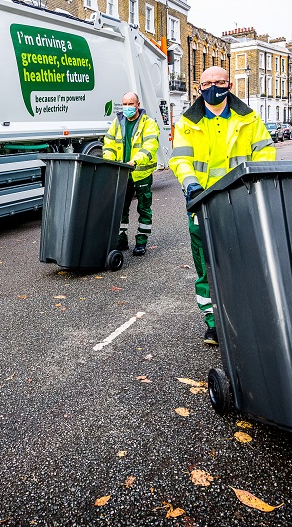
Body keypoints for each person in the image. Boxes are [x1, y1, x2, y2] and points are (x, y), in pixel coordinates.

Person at [170, 66, 276, 346]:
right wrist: (191, 185)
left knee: (244, 261)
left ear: (229, 85)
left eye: (219, 82)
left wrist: (256, 181)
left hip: (242, 199)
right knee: (206, 265)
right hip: (202, 202)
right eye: (207, 83)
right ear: (199, 87)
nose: (213, 87)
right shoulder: (187, 123)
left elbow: (265, 151)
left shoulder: (248, 119)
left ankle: (245, 317)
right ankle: (213, 322)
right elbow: (180, 159)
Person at [102, 92, 160, 256]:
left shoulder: (148, 123)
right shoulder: (117, 122)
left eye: (130, 104)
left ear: (138, 105)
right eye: (125, 104)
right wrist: (110, 161)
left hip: (141, 173)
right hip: (122, 173)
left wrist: (134, 161)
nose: (127, 107)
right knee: (120, 208)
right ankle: (121, 240)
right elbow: (109, 143)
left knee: (144, 209)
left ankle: (141, 242)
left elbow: (150, 146)